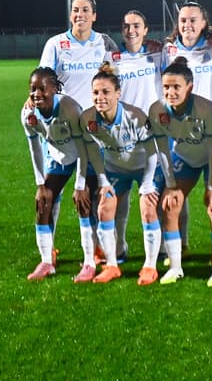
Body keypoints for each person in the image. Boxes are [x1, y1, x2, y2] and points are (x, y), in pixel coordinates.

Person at [36, 0, 119, 266]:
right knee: (52, 192)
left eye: (85, 10)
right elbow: (42, 81)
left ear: (94, 15)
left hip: (94, 132)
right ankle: (49, 250)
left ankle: (95, 247)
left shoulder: (104, 43)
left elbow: (116, 78)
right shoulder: (55, 44)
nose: (79, 14)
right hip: (60, 132)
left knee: (92, 191)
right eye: (75, 10)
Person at [79, 62, 179, 285]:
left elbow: (152, 150)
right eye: (95, 92)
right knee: (104, 208)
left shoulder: (135, 116)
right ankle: (112, 265)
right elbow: (93, 151)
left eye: (106, 92)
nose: (100, 97)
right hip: (116, 169)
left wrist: (147, 183)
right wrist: (103, 180)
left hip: (146, 167)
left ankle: (150, 267)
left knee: (148, 209)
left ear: (118, 93)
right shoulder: (88, 119)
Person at [147, 57, 212, 285]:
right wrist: (170, 185)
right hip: (185, 158)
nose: (170, 92)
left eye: (176, 87)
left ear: (189, 87)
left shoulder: (206, 108)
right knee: (170, 205)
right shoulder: (157, 110)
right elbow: (163, 150)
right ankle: (176, 267)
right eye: (166, 87)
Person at [161, 2, 212, 257]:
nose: (187, 25)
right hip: (183, 140)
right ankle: (180, 249)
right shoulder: (167, 50)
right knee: (172, 199)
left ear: (204, 23)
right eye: (183, 20)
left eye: (192, 20)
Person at [21, 67, 95, 281]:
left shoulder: (70, 109)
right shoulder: (28, 115)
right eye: (33, 89)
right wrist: (40, 184)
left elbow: (83, 148)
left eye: (42, 89)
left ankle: (89, 263)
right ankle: (46, 262)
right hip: (58, 157)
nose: (37, 94)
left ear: (54, 89)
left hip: (85, 156)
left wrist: (80, 185)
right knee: (43, 202)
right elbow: (35, 148)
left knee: (84, 203)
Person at [104, 10, 164, 263]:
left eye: (137, 25)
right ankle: (119, 246)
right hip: (121, 138)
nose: (131, 30)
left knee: (156, 197)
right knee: (120, 199)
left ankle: (164, 248)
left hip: (154, 137)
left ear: (146, 29)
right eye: (126, 26)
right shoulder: (112, 59)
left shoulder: (158, 55)